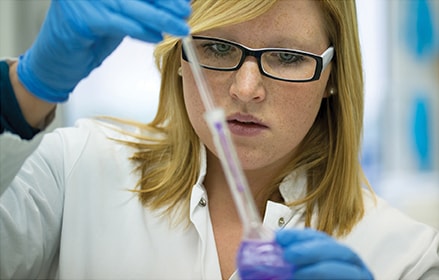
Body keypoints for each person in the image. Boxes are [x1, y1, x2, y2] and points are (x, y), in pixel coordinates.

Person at [0, 0, 438, 279]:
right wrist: (22, 89)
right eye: (217, 48)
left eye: (287, 57)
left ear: (331, 78)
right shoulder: (74, 171)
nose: (246, 89)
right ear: (179, 58)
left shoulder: (407, 258)